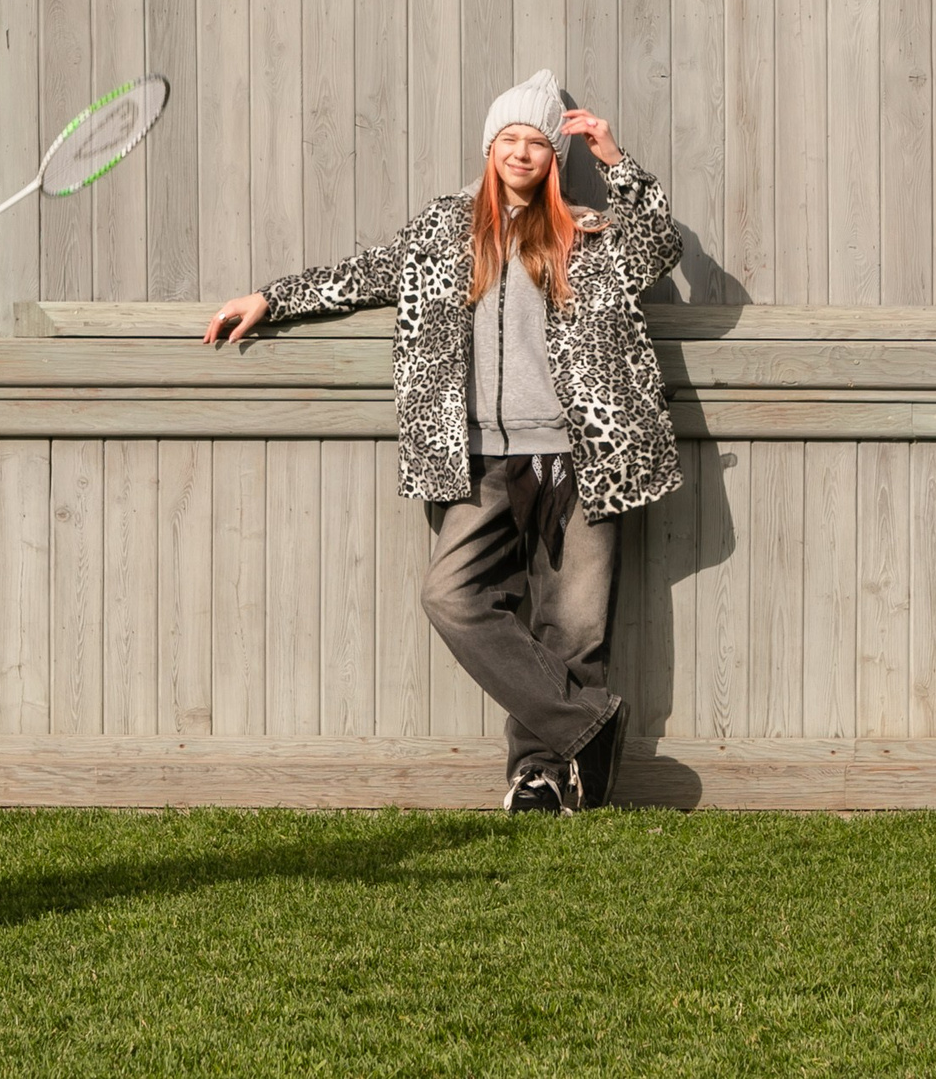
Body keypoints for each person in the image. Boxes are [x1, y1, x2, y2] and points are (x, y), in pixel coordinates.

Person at [203, 70, 683, 812]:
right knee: (451, 596)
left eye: (537, 142)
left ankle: (544, 779)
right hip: (479, 458)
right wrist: (272, 297)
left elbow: (660, 245)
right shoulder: (442, 229)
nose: (521, 152)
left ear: (555, 157)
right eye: (508, 139)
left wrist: (615, 160)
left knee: (574, 628)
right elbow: (364, 273)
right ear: (490, 148)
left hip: (584, 456)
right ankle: (590, 725)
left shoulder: (588, 233)